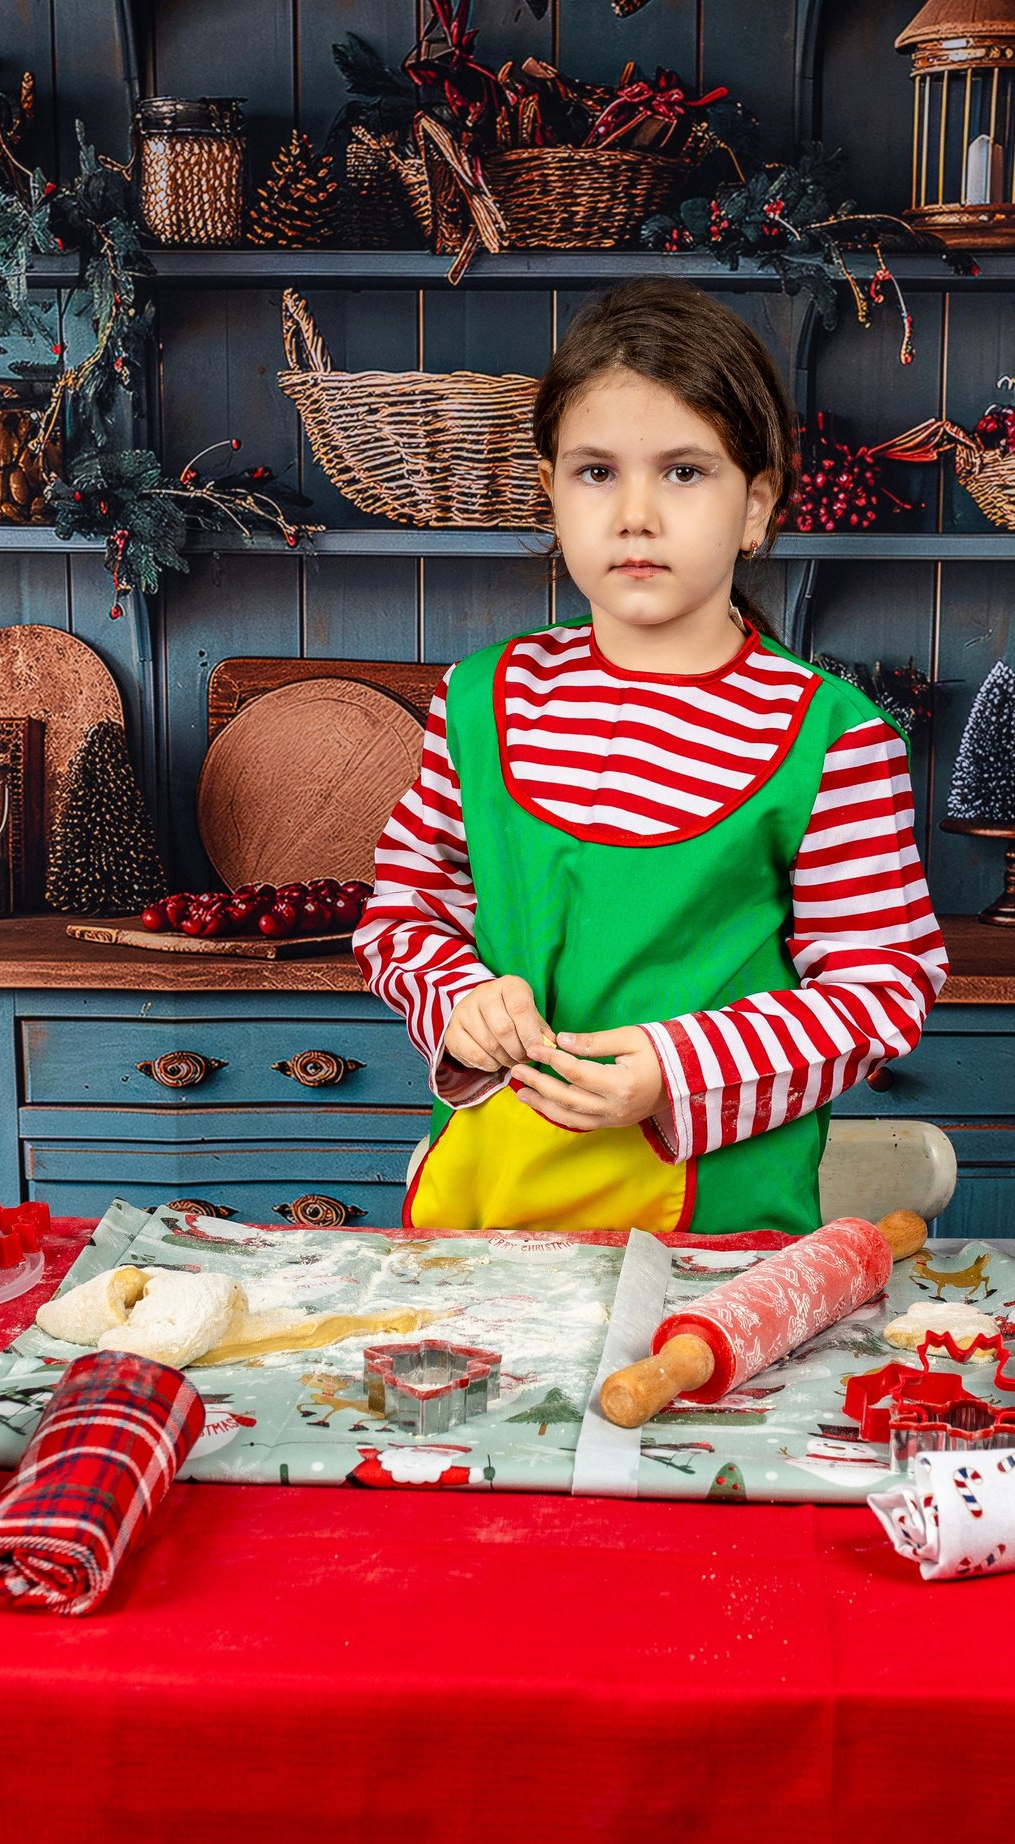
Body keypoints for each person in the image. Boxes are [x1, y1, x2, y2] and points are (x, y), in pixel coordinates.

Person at [354, 279, 949, 1236]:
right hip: (485, 1230)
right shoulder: (480, 700)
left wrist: (676, 1069)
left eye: (684, 472)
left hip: (718, 1242)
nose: (635, 514)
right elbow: (404, 912)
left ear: (756, 506)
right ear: (550, 493)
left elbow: (881, 989)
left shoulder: (832, 740)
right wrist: (460, 1004)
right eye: (596, 472)